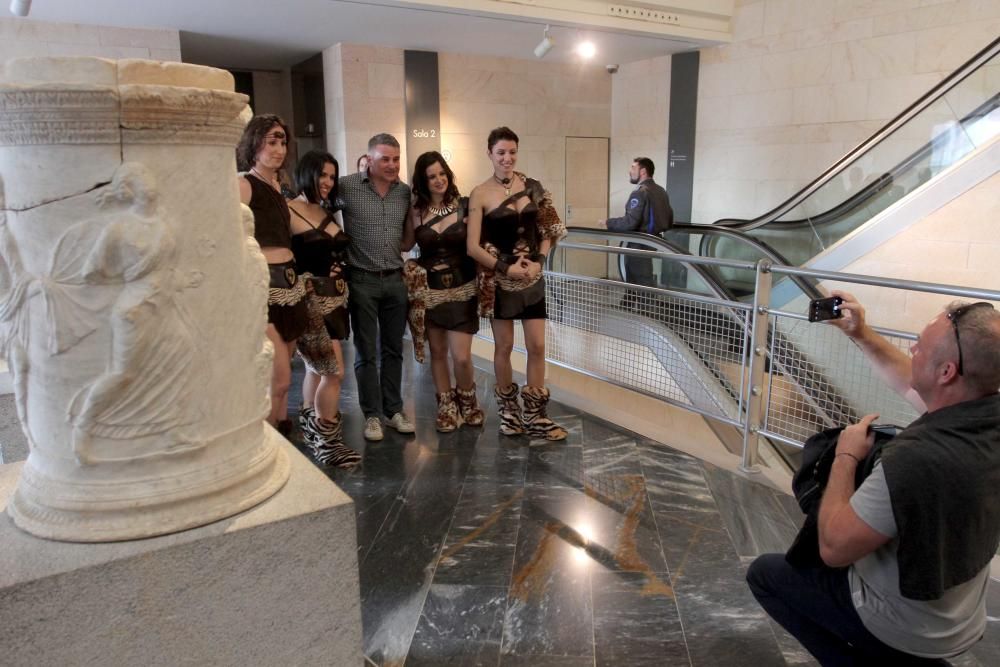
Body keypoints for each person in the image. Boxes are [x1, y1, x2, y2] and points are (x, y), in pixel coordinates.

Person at [746, 293, 1000, 664]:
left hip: (907, 627)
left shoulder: (914, 460)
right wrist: (861, 334)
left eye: (921, 346)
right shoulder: (981, 417)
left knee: (766, 575)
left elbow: (833, 549)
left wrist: (846, 456)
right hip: (960, 618)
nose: (912, 348)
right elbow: (913, 384)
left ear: (946, 372)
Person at [467, 127, 567, 441]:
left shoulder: (534, 187)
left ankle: (536, 415)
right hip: (500, 280)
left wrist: (539, 260)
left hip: (533, 277)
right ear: (489, 154)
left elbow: (550, 229)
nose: (507, 158)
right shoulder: (480, 193)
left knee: (538, 346)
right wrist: (504, 268)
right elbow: (472, 246)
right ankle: (510, 414)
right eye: (501, 153)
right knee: (505, 346)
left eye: (512, 152)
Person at [338, 134, 414, 441]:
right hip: (362, 280)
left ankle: (393, 409)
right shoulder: (347, 187)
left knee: (394, 350)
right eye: (385, 159)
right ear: (369, 159)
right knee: (366, 351)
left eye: (396, 159)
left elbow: (408, 236)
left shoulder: (404, 193)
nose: (392, 165)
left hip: (395, 280)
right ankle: (371, 415)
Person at [401, 151, 484, 432]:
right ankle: (446, 406)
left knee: (461, 356)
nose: (438, 180)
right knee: (437, 352)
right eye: (431, 177)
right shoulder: (415, 211)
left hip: (463, 290)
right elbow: (404, 244)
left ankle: (467, 399)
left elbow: (480, 244)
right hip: (430, 293)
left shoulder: (465, 206)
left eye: (441, 174)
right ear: (423, 182)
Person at [288, 151, 360, 469]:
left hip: (335, 304)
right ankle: (327, 442)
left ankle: (310, 427)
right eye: (323, 175)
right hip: (309, 304)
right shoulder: (289, 210)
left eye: (332, 176)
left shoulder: (325, 210)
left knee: (317, 371)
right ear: (307, 174)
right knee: (334, 372)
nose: (328, 182)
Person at [237, 114, 307, 436]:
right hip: (263, 288)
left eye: (282, 142)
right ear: (255, 144)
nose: (279, 149)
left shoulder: (281, 187)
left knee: (284, 379)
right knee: (278, 379)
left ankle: (282, 436)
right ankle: (265, 447)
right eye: (271, 142)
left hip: (291, 285)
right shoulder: (245, 184)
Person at [601, 157, 673, 305]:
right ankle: (636, 312)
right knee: (642, 280)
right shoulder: (660, 191)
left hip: (639, 244)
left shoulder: (640, 193)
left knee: (638, 281)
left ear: (643, 171)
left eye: (633, 168)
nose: (630, 171)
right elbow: (669, 219)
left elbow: (630, 222)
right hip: (654, 242)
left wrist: (608, 222)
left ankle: (642, 317)